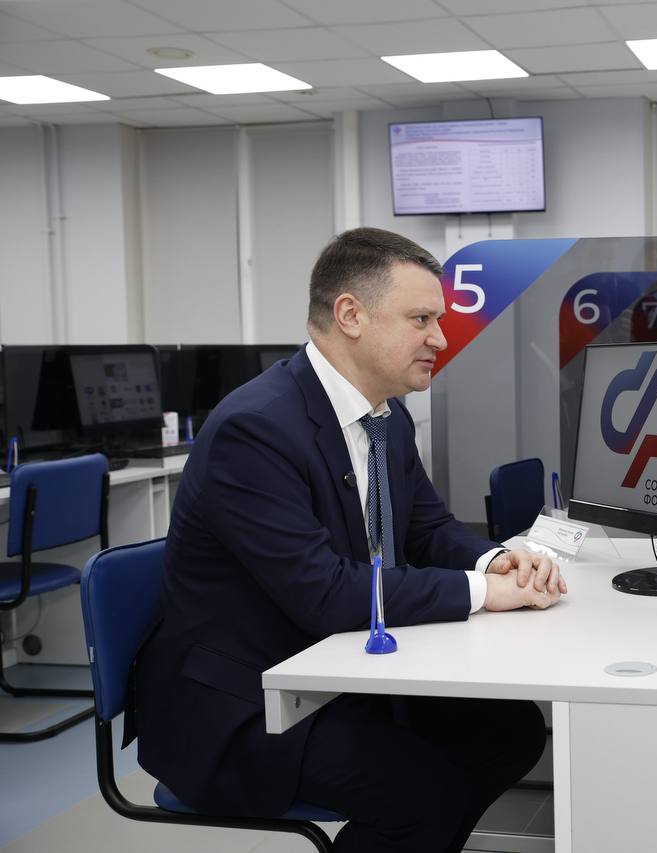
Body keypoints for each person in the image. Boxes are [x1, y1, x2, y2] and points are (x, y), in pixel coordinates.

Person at [134, 227, 568, 853]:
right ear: (350, 315)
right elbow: (327, 594)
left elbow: (427, 528)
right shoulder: (253, 431)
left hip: (337, 666)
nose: (440, 339)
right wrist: (483, 592)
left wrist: (497, 558)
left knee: (511, 732)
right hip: (247, 701)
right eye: (421, 319)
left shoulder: (385, 417)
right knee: (420, 794)